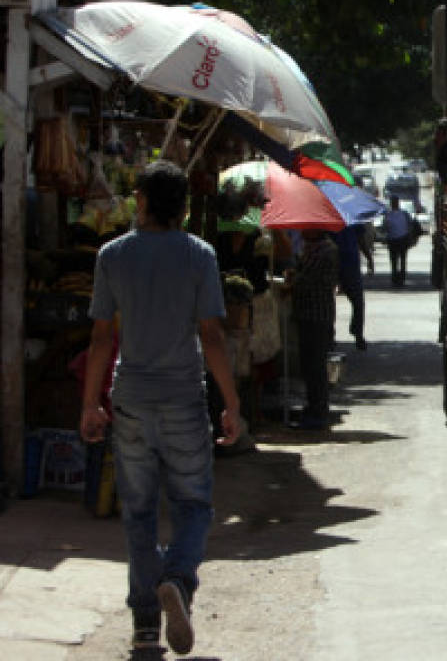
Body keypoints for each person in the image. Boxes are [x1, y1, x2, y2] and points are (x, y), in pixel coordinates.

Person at [79, 160, 241, 655]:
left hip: (130, 400)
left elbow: (102, 337)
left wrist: (90, 403)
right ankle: (178, 581)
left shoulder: (113, 255)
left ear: (144, 203)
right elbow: (211, 336)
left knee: (139, 514)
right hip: (184, 400)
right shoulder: (200, 256)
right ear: (185, 209)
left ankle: (146, 625)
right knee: (193, 505)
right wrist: (232, 404)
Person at [285, 228, 339, 429]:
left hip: (317, 315)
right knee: (309, 366)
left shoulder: (325, 251)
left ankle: (318, 411)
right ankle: (314, 408)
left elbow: (306, 280)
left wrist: (293, 278)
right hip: (308, 314)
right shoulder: (312, 249)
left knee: (315, 366)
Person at [334, 223, 368, 350]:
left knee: (358, 302)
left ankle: (357, 333)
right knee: (329, 302)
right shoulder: (329, 214)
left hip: (351, 264)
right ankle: (330, 335)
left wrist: (368, 257)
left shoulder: (353, 216)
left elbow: (361, 239)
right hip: (335, 262)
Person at [382, 195, 414, 286]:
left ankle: (398, 278)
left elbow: (384, 228)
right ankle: (397, 278)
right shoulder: (400, 214)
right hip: (397, 240)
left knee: (397, 260)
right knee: (398, 260)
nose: (394, 204)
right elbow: (409, 225)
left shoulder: (400, 214)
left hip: (397, 239)